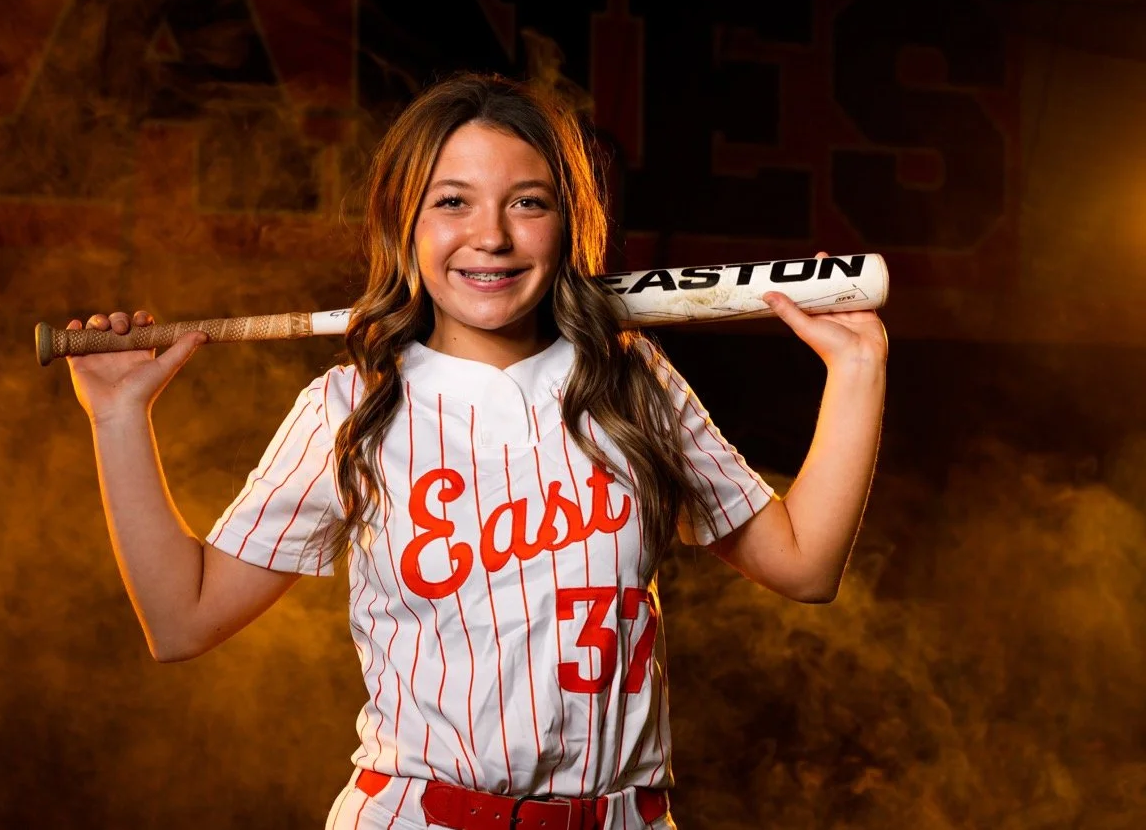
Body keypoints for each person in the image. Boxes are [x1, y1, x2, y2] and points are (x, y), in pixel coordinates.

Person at [65, 71, 887, 830]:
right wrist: (118, 417)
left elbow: (805, 566)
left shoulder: (630, 379)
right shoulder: (351, 406)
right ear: (404, 222)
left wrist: (857, 366)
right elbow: (182, 618)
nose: (490, 236)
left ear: (567, 222)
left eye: (527, 202)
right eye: (452, 201)